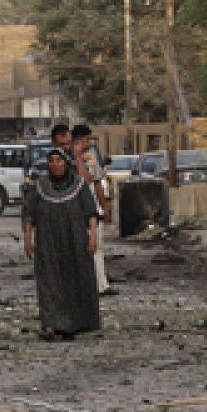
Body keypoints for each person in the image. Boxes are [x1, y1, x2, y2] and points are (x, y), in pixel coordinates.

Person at [22, 147, 100, 341]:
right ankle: (52, 324)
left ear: (66, 163)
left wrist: (93, 237)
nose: (55, 164)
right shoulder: (39, 186)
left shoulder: (79, 185)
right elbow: (29, 214)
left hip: (75, 242)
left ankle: (76, 324)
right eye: (52, 160)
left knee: (76, 280)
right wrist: (28, 240)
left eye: (59, 160)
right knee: (50, 282)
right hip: (48, 244)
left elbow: (90, 212)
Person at [70, 123, 114, 295]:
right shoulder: (69, 158)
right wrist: (78, 157)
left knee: (97, 246)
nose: (90, 142)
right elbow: (84, 179)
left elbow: (96, 183)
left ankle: (101, 285)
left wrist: (104, 207)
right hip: (76, 209)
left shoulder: (91, 158)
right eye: (87, 139)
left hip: (93, 208)